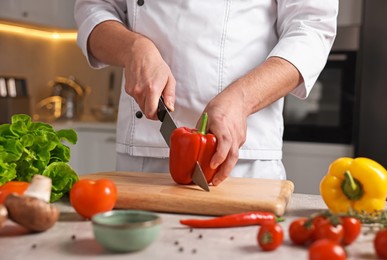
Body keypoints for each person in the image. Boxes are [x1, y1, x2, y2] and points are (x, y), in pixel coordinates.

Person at [74, 0, 338, 186]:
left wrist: (242, 100)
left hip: (239, 163)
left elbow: (312, 28)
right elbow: (94, 8)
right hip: (140, 159)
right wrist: (132, 48)